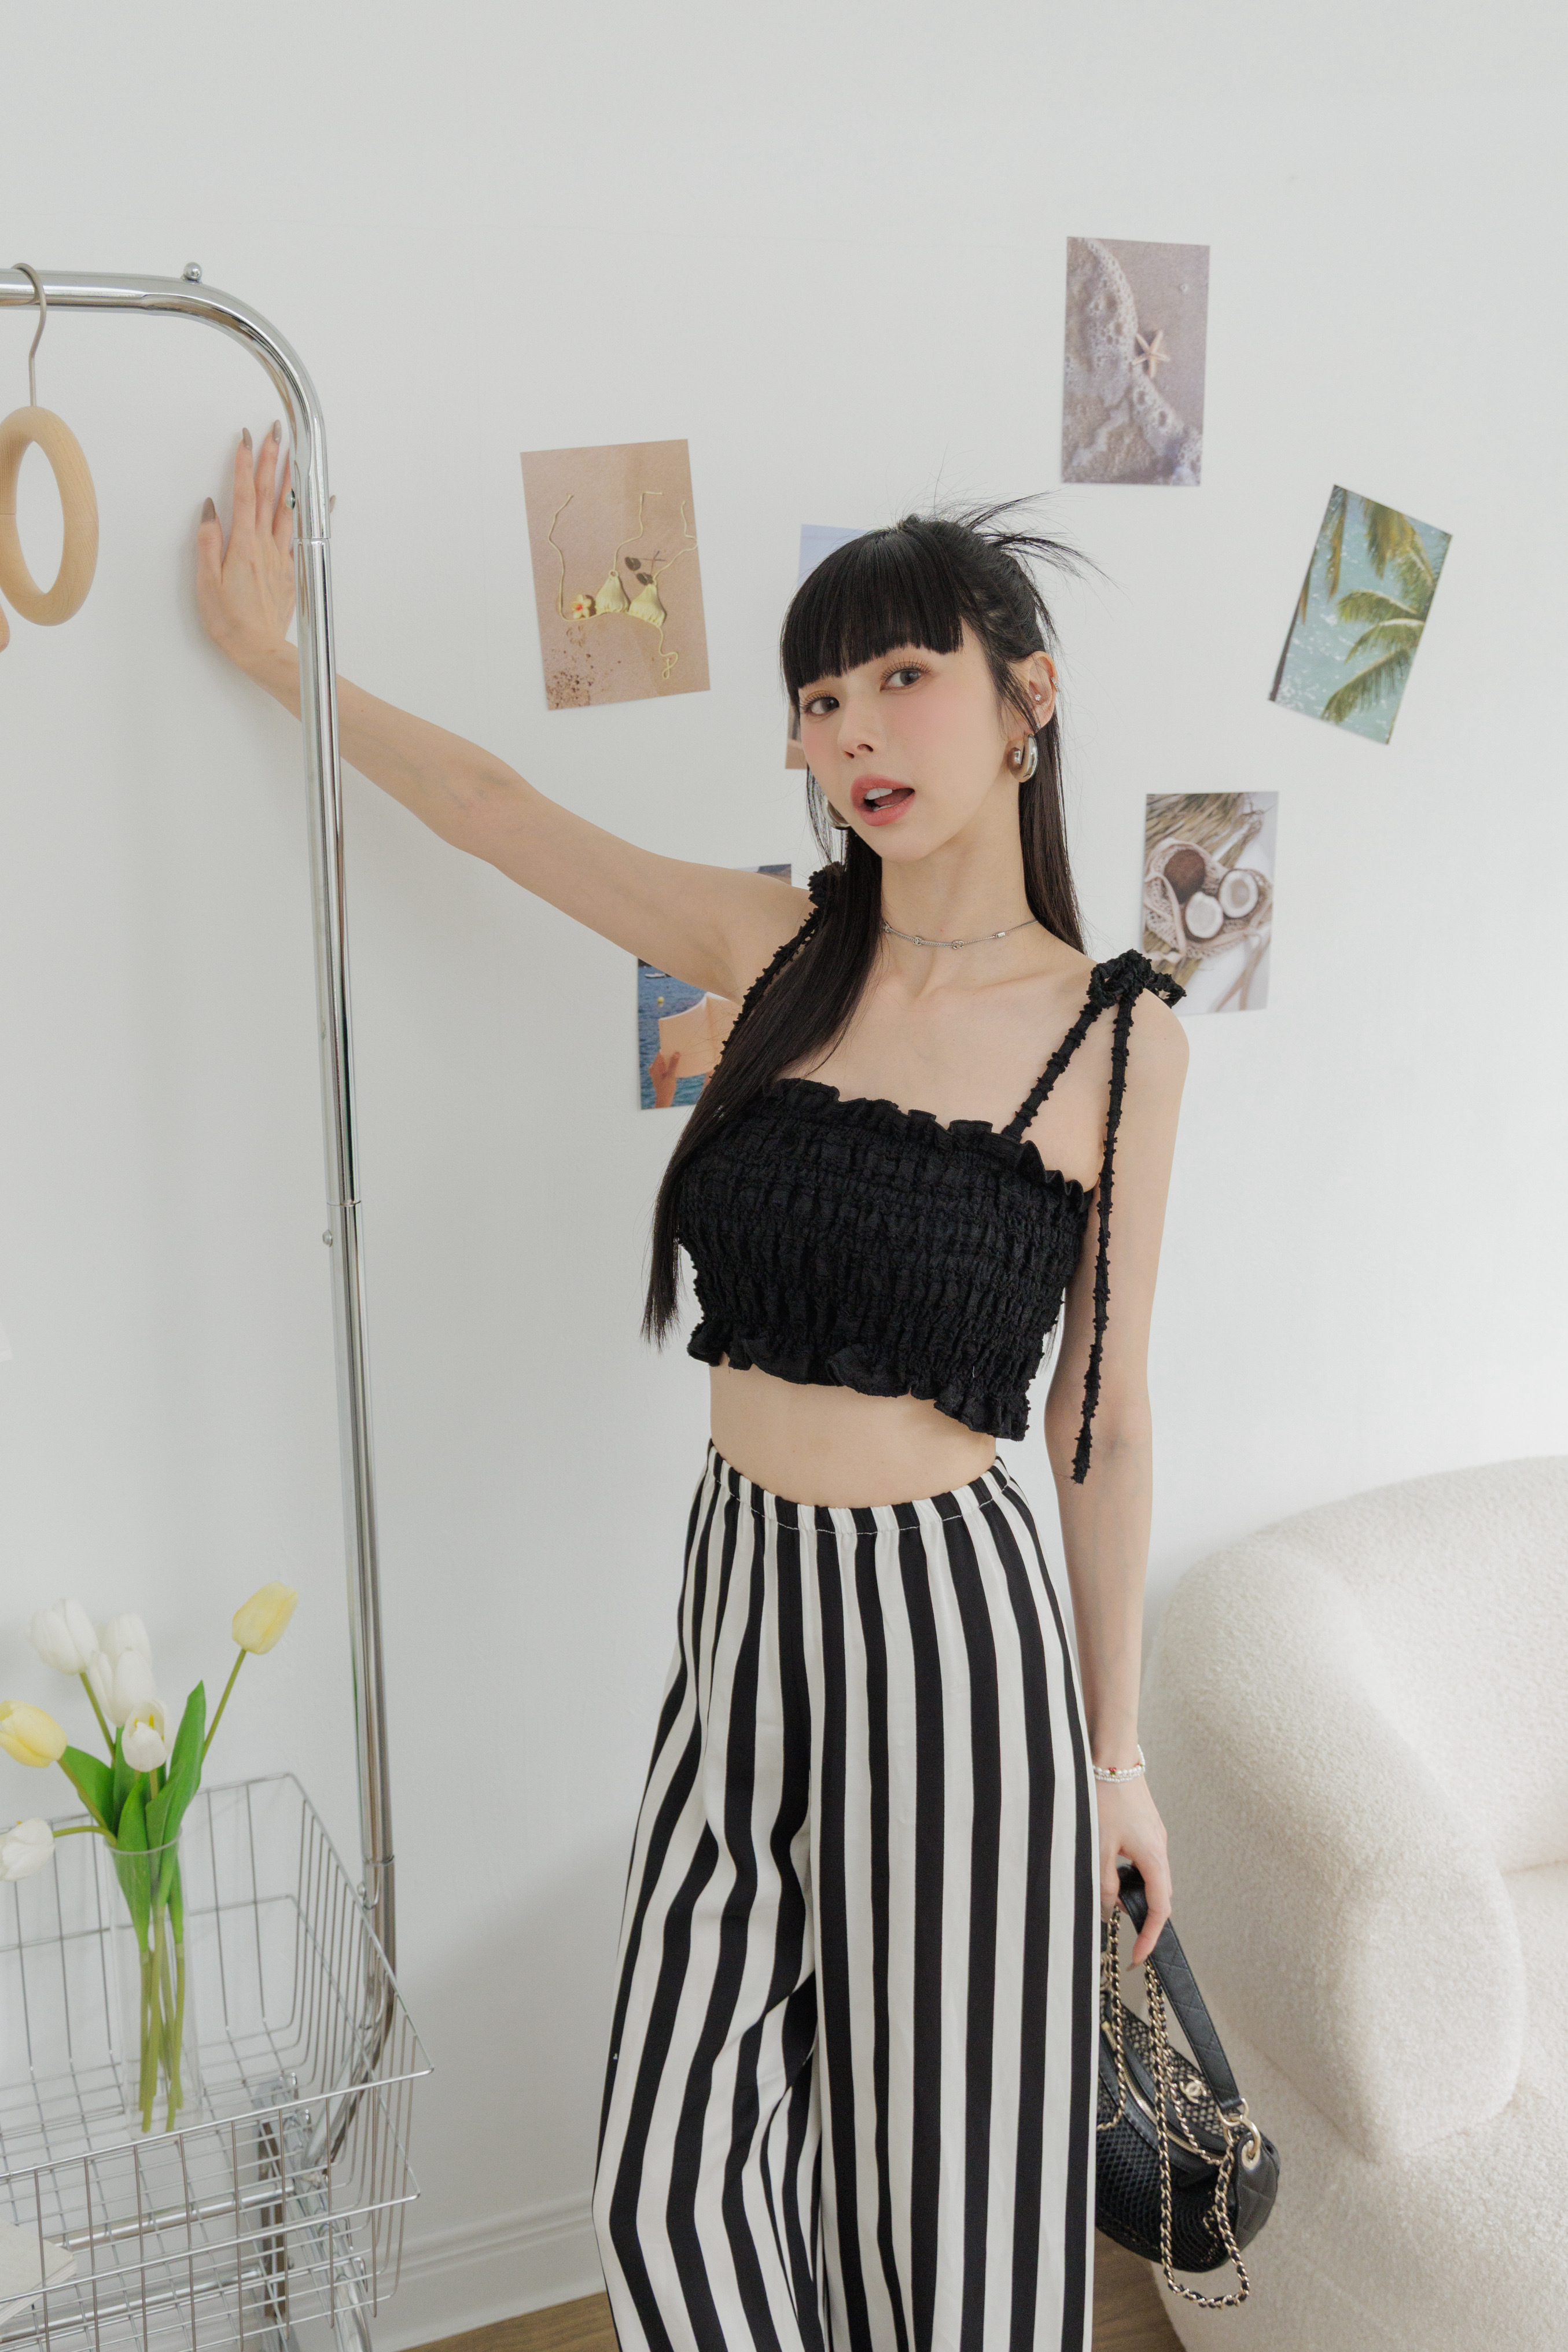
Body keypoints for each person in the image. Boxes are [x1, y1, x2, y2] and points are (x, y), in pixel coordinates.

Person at [197, 429, 1187, 2352]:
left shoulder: (1115, 1037)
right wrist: (274, 656)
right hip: (742, 1598)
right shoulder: (784, 951)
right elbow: (495, 811)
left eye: (901, 675)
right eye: (818, 700)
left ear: (1026, 700)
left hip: (953, 1634)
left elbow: (1109, 1416)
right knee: (670, 2173)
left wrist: (1117, 1752)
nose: (852, 730)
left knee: (952, 2205)